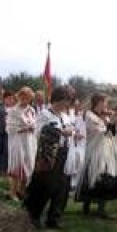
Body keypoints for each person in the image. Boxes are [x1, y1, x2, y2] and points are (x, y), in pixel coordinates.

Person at [24, 86, 73, 229]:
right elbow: (39, 131)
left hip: (64, 153)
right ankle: (33, 215)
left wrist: (72, 133)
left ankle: (54, 219)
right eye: (66, 100)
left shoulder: (65, 116)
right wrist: (61, 132)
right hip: (48, 156)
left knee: (62, 187)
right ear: (58, 99)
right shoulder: (45, 114)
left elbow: (71, 131)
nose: (67, 104)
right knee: (44, 186)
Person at [76, 93, 117, 218]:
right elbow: (98, 132)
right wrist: (107, 121)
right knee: (92, 176)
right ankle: (86, 203)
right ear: (99, 102)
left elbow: (112, 133)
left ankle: (101, 208)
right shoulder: (89, 115)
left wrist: (111, 121)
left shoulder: (105, 117)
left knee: (106, 177)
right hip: (95, 150)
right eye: (105, 102)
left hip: (107, 150)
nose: (106, 105)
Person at [6, 86, 37, 200]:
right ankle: (12, 192)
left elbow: (35, 123)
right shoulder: (13, 110)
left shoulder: (32, 110)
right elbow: (9, 128)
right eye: (23, 97)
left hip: (29, 141)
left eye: (28, 98)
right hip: (17, 140)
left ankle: (22, 190)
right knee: (17, 165)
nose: (26, 99)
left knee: (28, 164)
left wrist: (33, 128)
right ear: (19, 96)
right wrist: (24, 129)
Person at [0, 91, 15, 175]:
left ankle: (6, 169)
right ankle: (2, 169)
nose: (10, 100)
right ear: (4, 99)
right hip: (1, 132)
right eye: (8, 98)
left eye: (11, 98)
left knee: (7, 151)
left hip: (9, 134)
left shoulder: (14, 109)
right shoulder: (1, 108)